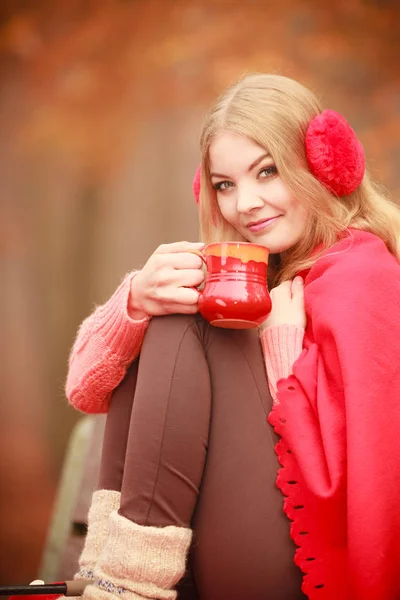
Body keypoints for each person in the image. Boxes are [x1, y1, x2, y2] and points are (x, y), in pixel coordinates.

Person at [65, 73, 400, 600]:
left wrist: (284, 354)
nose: (245, 203)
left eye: (267, 172)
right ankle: (116, 578)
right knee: (176, 305)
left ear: (323, 162)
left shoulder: (362, 275)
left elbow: (362, 479)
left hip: (320, 563)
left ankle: (123, 586)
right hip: (231, 545)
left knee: (188, 315)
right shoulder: (253, 274)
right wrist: (133, 301)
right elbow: (86, 390)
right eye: (226, 184)